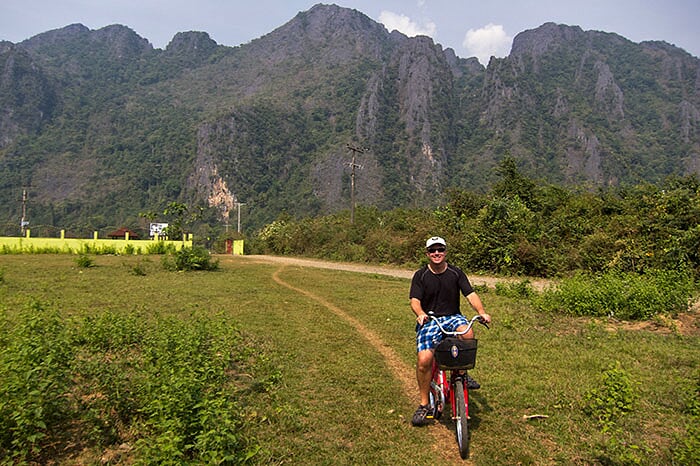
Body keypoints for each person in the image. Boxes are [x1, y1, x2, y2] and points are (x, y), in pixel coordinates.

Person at [409, 236, 492, 427]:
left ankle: (461, 373)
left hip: (453, 316)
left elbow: (470, 294)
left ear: (446, 252)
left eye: (440, 249)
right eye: (432, 250)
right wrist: (420, 314)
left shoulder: (456, 273)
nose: (436, 253)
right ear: (427, 254)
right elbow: (415, 300)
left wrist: (481, 312)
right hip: (431, 319)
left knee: (468, 334)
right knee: (424, 361)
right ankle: (423, 405)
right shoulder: (420, 275)